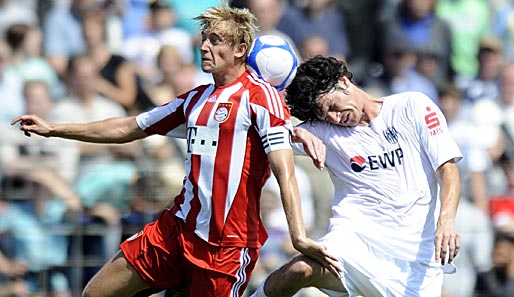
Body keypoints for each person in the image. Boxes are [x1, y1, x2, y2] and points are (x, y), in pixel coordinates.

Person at [11, 5, 340, 296]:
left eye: (215, 40)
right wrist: (54, 129)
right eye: (204, 38)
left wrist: (298, 236)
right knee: (96, 292)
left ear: (241, 49)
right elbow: (128, 127)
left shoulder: (261, 98)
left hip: (226, 247)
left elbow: (285, 172)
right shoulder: (195, 99)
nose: (204, 46)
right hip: (175, 229)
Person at [251, 55, 462, 297]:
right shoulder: (325, 132)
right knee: (299, 269)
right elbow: (254, 135)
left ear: (343, 82)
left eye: (331, 107)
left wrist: (446, 221)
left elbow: (448, 169)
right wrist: (296, 133)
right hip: (354, 244)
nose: (332, 118)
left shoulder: (412, 106)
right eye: (323, 116)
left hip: (416, 260)